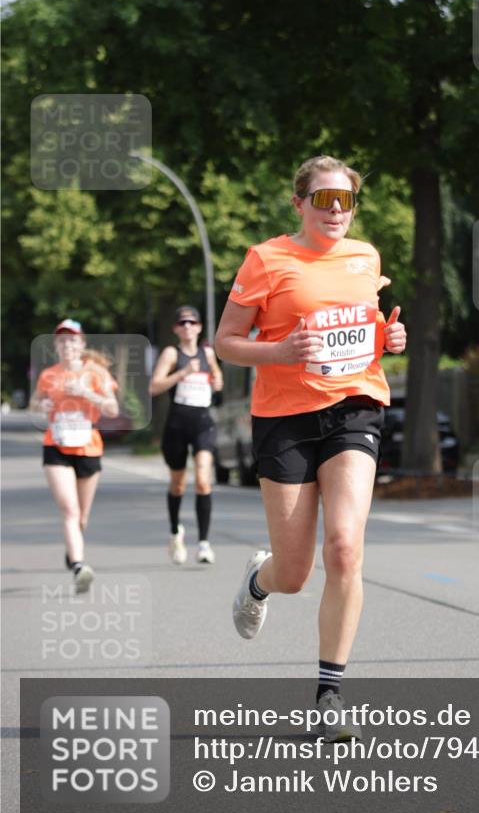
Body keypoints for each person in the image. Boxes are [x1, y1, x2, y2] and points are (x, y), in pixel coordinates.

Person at [215, 155, 406, 741]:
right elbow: (226, 341)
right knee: (295, 573)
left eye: (345, 200)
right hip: (285, 419)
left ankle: (329, 694)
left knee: (345, 548)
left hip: (355, 407)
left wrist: (389, 337)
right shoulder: (266, 259)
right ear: (298, 203)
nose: (336, 211)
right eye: (323, 200)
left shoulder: (365, 257)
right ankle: (258, 582)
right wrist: (277, 353)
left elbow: (365, 329)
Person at [30, 319, 119, 594]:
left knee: (81, 517)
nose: (67, 344)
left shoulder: (96, 372)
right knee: (69, 510)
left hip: (88, 446)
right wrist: (41, 405)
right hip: (56, 444)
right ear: (56, 345)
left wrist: (86, 392)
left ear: (81, 344)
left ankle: (73, 552)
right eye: (62, 340)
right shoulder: (49, 375)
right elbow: (35, 403)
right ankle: (80, 566)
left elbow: (113, 409)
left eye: (72, 339)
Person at [149, 306, 223, 565]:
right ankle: (175, 532)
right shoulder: (172, 353)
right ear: (176, 329)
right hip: (177, 424)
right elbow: (154, 386)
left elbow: (218, 378)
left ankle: (203, 544)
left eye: (192, 322)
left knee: (203, 480)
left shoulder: (207, 353)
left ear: (200, 326)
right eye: (182, 323)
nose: (187, 326)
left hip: (203, 422)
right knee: (178, 483)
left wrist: (216, 382)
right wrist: (182, 373)